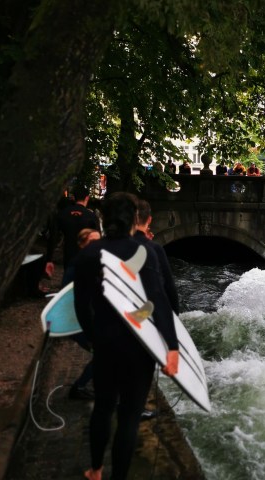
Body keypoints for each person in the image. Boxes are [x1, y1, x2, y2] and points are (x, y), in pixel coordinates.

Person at [74, 192, 179, 480]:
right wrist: (171, 347)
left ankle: (95, 471)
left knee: (103, 408)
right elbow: (158, 300)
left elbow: (81, 307)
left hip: (106, 342)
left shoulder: (89, 254)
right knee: (130, 416)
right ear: (135, 218)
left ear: (104, 219)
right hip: (138, 344)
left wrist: (92, 338)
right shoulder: (145, 251)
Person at [63, 227, 102, 401]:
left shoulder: (93, 263)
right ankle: (78, 387)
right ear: (81, 244)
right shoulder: (76, 266)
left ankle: (84, 386)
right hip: (77, 320)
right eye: (92, 242)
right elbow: (68, 295)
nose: (97, 246)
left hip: (90, 317)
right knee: (104, 353)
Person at [134, 199, 180, 315]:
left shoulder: (107, 247)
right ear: (149, 219)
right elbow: (169, 287)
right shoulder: (153, 249)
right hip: (145, 313)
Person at [45, 185, 101, 278]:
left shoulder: (62, 214)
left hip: (68, 253)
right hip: (85, 254)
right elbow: (99, 238)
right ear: (87, 198)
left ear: (74, 197)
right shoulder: (91, 216)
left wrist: (49, 259)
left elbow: (53, 237)